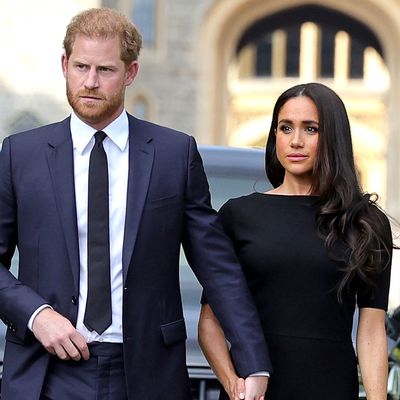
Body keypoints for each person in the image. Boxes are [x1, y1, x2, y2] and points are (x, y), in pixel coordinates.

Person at [0, 8, 270, 400]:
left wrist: (253, 362)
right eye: (81, 67)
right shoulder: (19, 155)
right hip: (45, 372)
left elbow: (217, 267)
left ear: (130, 73)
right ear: (65, 65)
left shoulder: (173, 154)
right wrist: (36, 315)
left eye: (105, 70)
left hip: (145, 374)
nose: (90, 82)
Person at [198, 82, 393, 400]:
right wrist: (235, 386)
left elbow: (371, 330)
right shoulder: (238, 215)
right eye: (285, 127)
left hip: (331, 389)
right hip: (255, 392)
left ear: (332, 137)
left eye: (311, 129)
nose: (296, 141)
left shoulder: (366, 223)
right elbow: (210, 321)